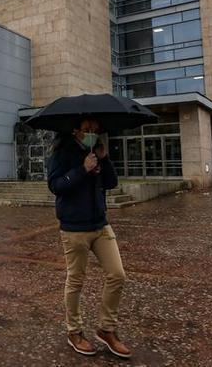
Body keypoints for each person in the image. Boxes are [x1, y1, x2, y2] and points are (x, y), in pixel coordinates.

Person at [46, 117, 131, 358]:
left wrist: (104, 160)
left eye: (95, 129)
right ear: (76, 131)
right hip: (74, 228)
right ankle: (74, 331)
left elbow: (112, 182)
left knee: (117, 274)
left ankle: (107, 329)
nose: (93, 132)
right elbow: (56, 186)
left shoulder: (96, 152)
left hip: (100, 225)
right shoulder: (61, 153)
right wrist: (82, 169)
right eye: (87, 129)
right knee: (76, 280)